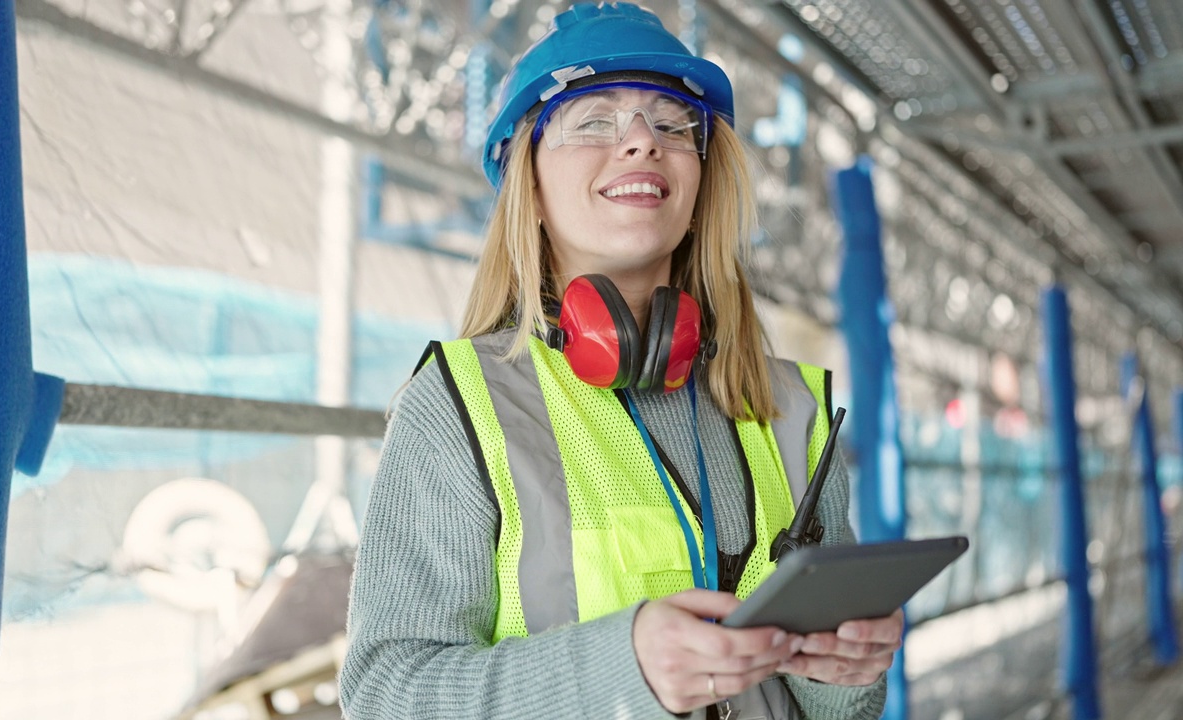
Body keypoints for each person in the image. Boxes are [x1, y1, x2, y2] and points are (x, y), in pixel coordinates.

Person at [339, 3, 902, 718]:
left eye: (672, 123)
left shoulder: (789, 411)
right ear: (530, 185)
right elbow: (385, 696)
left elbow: (838, 712)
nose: (642, 142)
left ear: (702, 184)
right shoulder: (461, 407)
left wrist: (846, 673)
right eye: (592, 120)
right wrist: (619, 666)